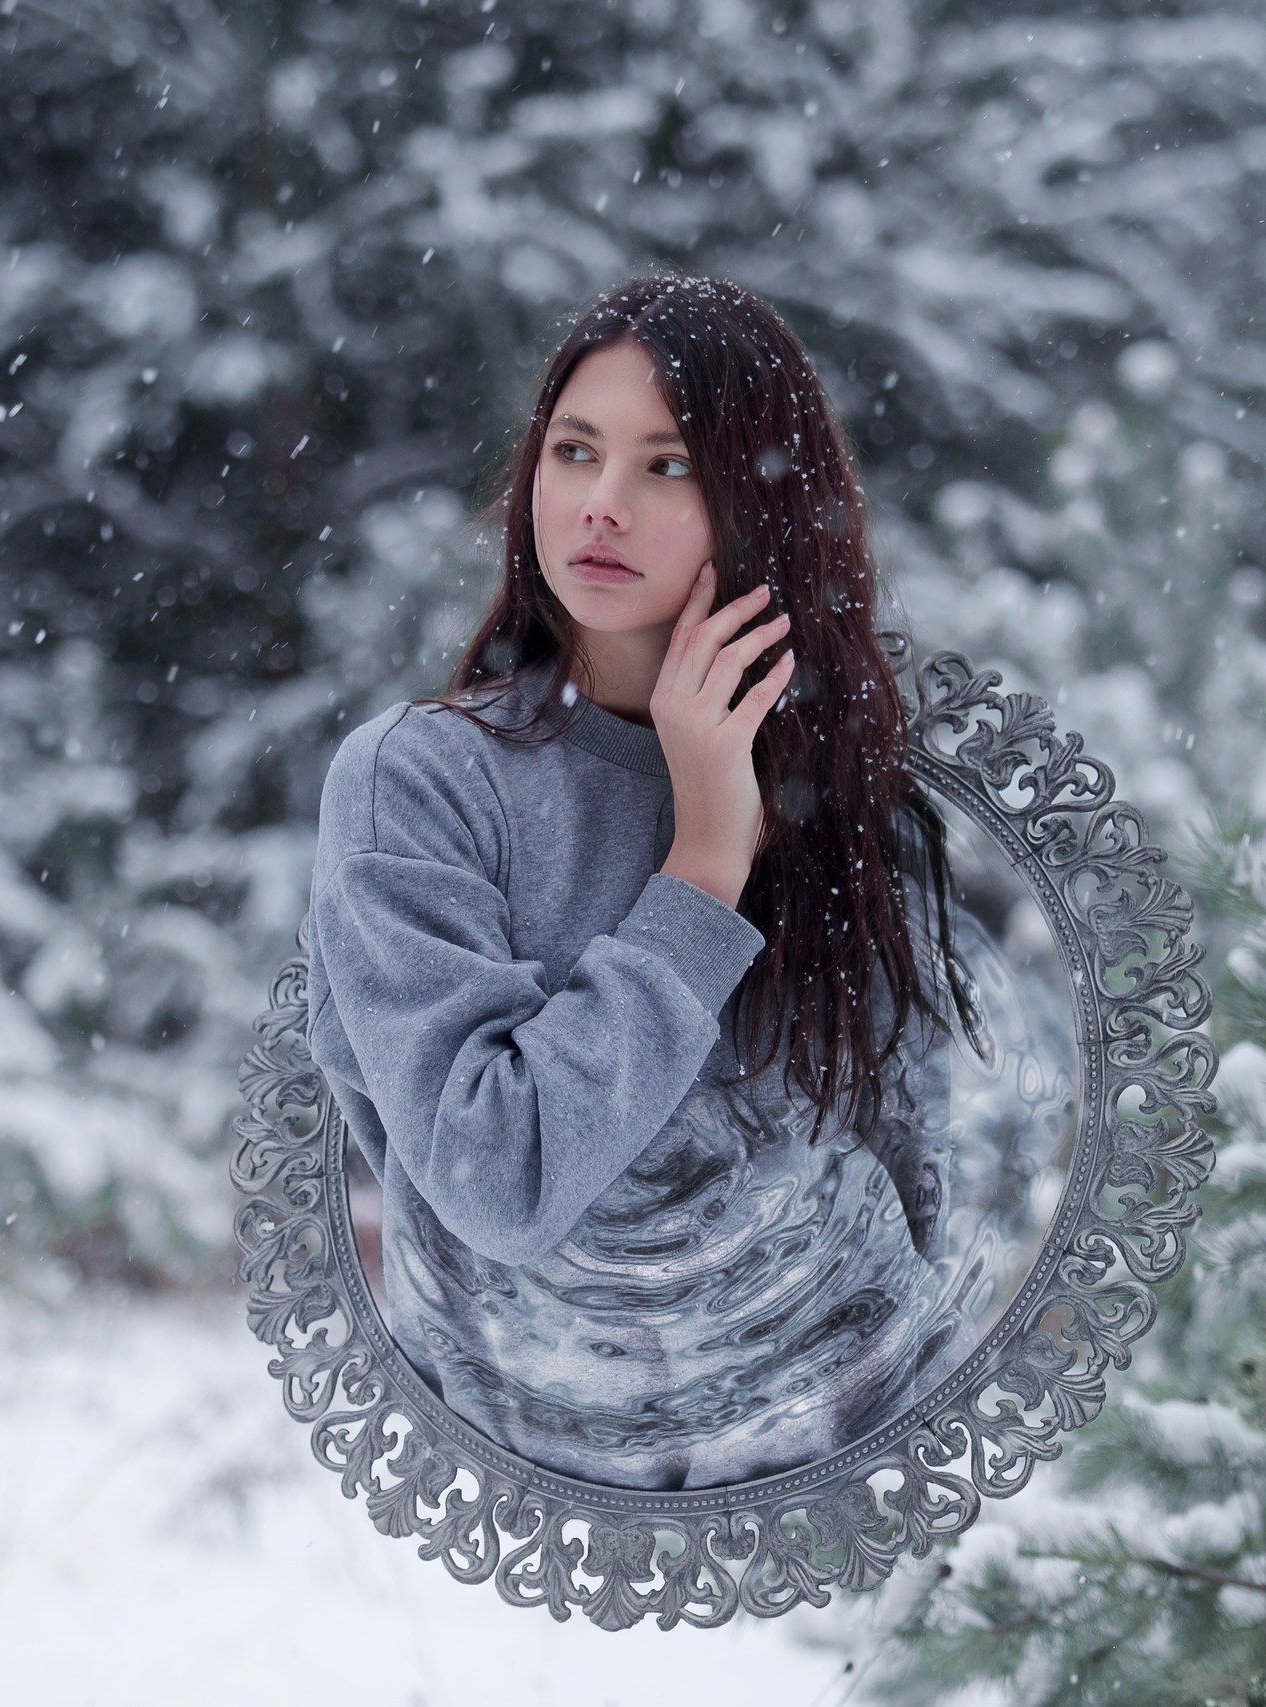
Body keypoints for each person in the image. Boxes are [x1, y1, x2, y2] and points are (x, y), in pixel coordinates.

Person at [303, 274, 977, 1491]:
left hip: (848, 1492)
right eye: (574, 451)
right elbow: (497, 1185)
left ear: (763, 505)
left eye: (667, 466)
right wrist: (703, 866)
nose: (600, 504)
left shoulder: (843, 790)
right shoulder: (419, 781)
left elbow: (927, 1192)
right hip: (544, 1497)